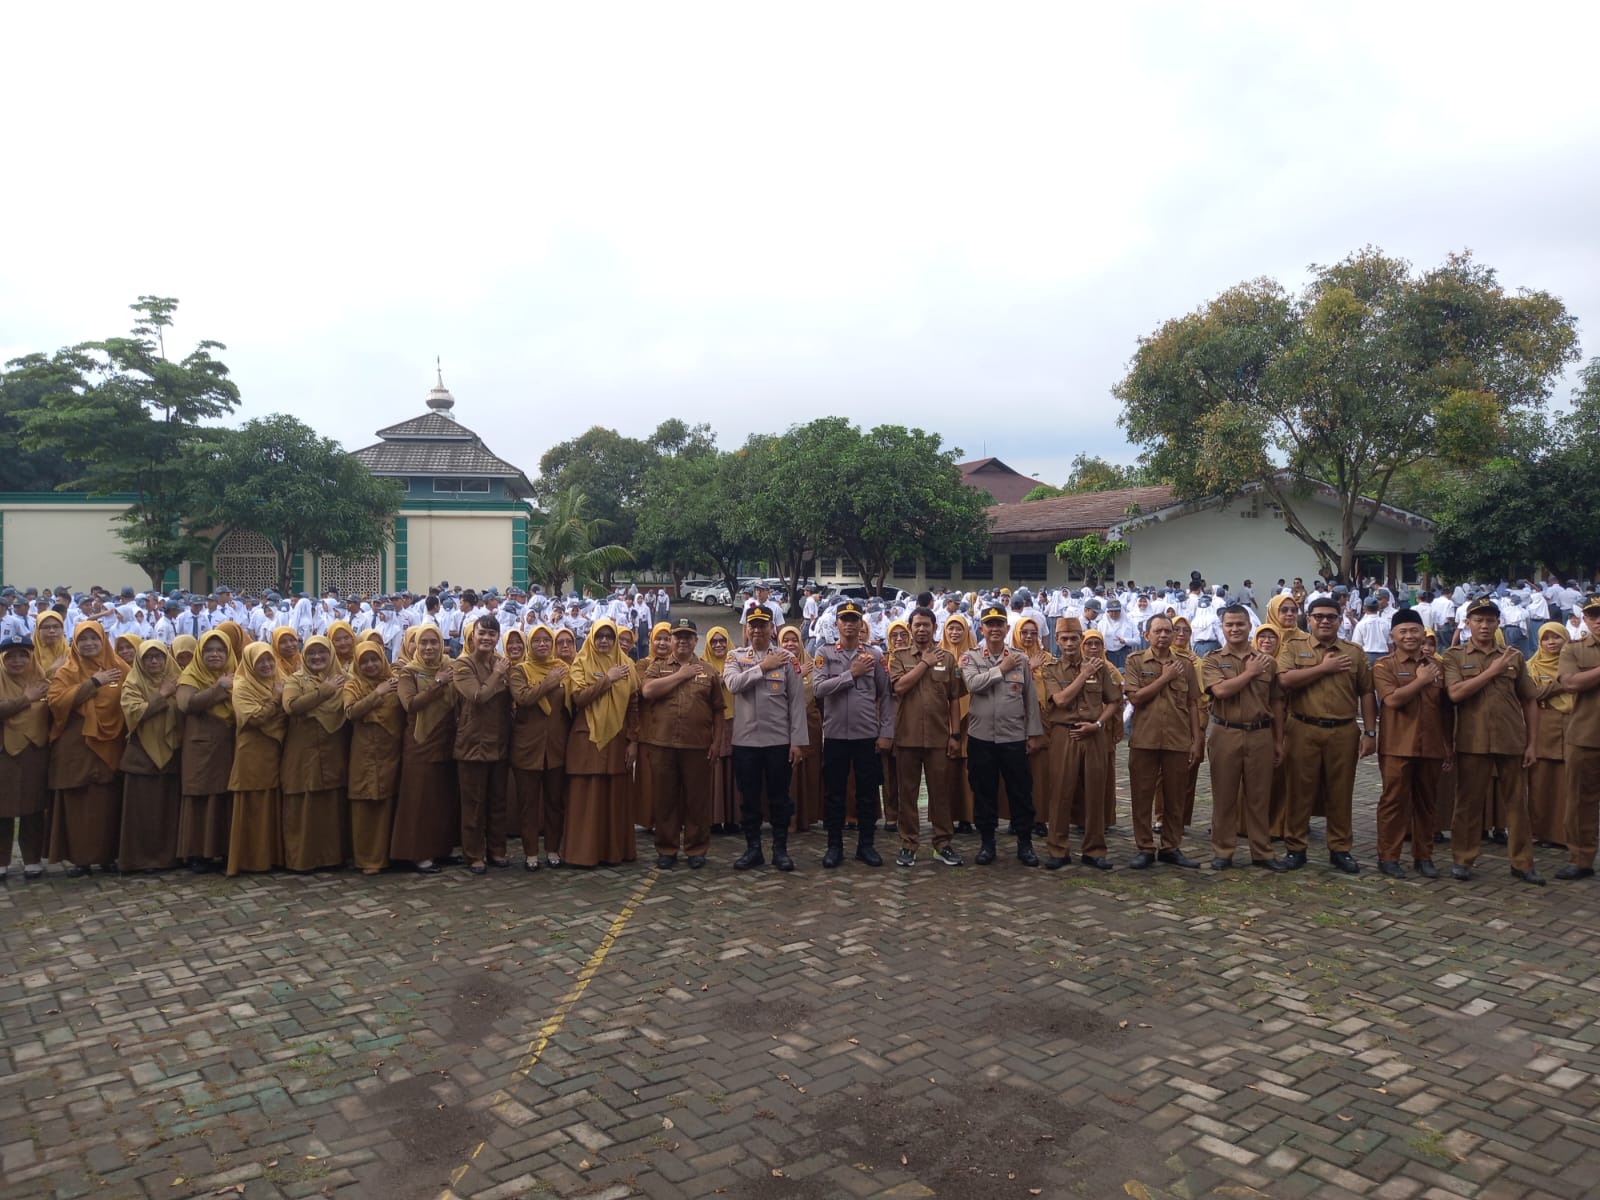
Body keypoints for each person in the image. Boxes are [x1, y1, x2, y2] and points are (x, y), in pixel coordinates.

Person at [1441, 596, 1542, 884]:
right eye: (1478, 620)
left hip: (1511, 739)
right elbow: (1455, 694)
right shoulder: (1454, 656)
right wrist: (1492, 672)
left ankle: (1522, 862)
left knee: (1517, 804)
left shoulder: (1513, 656)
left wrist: (1532, 743)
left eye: (1489, 620)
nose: (1484, 625)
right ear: (1468, 623)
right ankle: (1463, 859)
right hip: (1473, 740)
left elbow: (1530, 700)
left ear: (1498, 623)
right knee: (1468, 803)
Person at [1276, 594, 1376, 873]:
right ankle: (1296, 848)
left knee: (1340, 792)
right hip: (1302, 728)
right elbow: (1284, 680)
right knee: (1299, 791)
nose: (1324, 621)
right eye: (1318, 616)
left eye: (1331, 617)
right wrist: (1323, 668)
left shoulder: (1353, 652)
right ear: (1308, 620)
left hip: (1343, 730)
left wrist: (1370, 732)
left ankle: (1340, 848)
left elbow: (1367, 692)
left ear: (1340, 620)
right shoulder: (1294, 647)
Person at [1201, 604, 1287, 871]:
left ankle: (1262, 851)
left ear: (1250, 626)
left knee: (1259, 797)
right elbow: (1221, 691)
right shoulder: (1213, 659)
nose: (1235, 629)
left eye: (1240, 624)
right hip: (1225, 732)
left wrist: (1278, 740)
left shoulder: (1268, 662)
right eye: (1229, 624)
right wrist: (1250, 673)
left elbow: (1276, 702)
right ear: (1222, 628)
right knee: (1224, 795)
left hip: (1260, 733)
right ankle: (1223, 851)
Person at [957, 604, 1043, 867]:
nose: (994, 629)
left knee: (1021, 792)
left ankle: (1025, 843)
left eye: (999, 624)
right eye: (989, 624)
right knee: (983, 791)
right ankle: (987, 842)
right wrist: (1001, 669)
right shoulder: (970, 657)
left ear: (1006, 628)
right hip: (981, 738)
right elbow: (973, 684)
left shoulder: (1020, 659)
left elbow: (1030, 698)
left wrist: (1033, 733)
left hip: (1013, 737)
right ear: (981, 629)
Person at [724, 607, 808, 870]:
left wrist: (797, 741)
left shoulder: (787, 659)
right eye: (753, 625)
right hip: (746, 742)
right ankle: (753, 849)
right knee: (749, 798)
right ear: (747, 629)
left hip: (778, 742)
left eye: (763, 625)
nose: (757, 630)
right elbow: (733, 685)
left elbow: (796, 703)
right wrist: (763, 667)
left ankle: (780, 850)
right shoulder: (735, 656)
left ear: (772, 628)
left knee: (779, 798)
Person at [1370, 609, 1451, 879]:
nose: (1409, 636)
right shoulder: (1384, 666)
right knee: (1393, 802)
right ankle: (1388, 857)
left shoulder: (1438, 666)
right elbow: (1392, 700)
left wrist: (1448, 744)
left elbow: (1446, 710)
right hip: (1397, 746)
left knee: (1427, 803)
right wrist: (1422, 680)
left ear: (1423, 633)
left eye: (1414, 630)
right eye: (1403, 631)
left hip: (1431, 746)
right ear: (1393, 635)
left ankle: (1423, 856)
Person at [640, 619, 727, 869]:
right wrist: (680, 675)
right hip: (662, 744)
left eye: (688, 637)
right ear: (671, 640)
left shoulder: (708, 671)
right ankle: (666, 849)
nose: (683, 641)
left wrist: (717, 742)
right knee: (664, 800)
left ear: (695, 641)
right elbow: (648, 691)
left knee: (696, 801)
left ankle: (696, 848)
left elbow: (718, 710)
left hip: (697, 746)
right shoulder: (658, 667)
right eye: (678, 636)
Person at [814, 601, 894, 868]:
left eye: (854, 619)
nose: (849, 624)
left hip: (866, 735)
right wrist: (852, 674)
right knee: (834, 793)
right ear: (836, 623)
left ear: (861, 624)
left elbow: (885, 696)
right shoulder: (825, 653)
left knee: (867, 793)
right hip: (835, 735)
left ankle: (866, 845)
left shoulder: (875, 655)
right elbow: (819, 689)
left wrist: (886, 732)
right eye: (844, 619)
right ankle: (834, 846)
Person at [1039, 617, 1121, 870]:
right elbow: (1061, 700)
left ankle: (1094, 850)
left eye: (1074, 638)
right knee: (1060, 793)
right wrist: (1084, 674)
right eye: (1064, 639)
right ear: (1057, 641)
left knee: (1095, 793)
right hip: (1064, 734)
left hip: (1093, 734)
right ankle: (1058, 849)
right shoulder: (1051, 669)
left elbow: (1114, 701)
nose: (1069, 644)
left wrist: (1098, 724)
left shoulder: (1100, 667)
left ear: (1081, 639)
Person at [887, 606, 966, 867]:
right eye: (917, 625)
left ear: (934, 627)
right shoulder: (898, 656)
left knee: (940, 793)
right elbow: (899, 687)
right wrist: (924, 663)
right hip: (907, 736)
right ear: (910, 628)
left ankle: (942, 843)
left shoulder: (948, 659)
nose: (921, 629)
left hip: (938, 737)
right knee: (907, 794)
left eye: (926, 625)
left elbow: (954, 698)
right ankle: (908, 844)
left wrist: (955, 734)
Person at [46, 622, 128, 875]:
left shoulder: (119, 667)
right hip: (76, 745)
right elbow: (56, 702)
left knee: (108, 801)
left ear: (104, 640)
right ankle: (80, 859)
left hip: (111, 745)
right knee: (78, 803)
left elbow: (132, 696)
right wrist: (92, 682)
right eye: (83, 639)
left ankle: (108, 856)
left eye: (94, 638)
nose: (89, 643)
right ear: (75, 643)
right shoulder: (66, 670)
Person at [1124, 615, 1202, 869]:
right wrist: (1165, 678)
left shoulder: (1185, 664)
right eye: (1158, 631)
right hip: (1144, 739)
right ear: (1146, 635)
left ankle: (1171, 846)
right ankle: (1145, 847)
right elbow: (1135, 698)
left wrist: (1196, 740)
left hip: (1177, 739)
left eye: (1168, 631)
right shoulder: (1135, 661)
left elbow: (1193, 703)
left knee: (1175, 797)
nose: (1164, 635)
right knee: (1142, 796)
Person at [562, 618, 640, 868]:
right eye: (599, 636)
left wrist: (633, 741)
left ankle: (613, 852)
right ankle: (583, 854)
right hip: (588, 737)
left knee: (614, 795)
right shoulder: (581, 662)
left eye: (609, 636)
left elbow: (634, 706)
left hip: (617, 738)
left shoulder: (627, 665)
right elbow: (579, 698)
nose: (604, 641)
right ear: (591, 638)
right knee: (588, 795)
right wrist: (608, 679)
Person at [392, 626, 460, 873]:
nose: (429, 647)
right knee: (419, 798)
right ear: (416, 646)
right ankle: (418, 854)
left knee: (441, 798)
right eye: (424, 643)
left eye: (434, 642)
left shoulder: (450, 666)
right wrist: (437, 683)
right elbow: (410, 704)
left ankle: (441, 849)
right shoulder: (409, 672)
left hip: (446, 740)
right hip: (420, 742)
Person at [281, 635, 350, 872]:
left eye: (322, 652)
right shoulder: (295, 679)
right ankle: (303, 859)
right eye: (311, 653)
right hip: (304, 752)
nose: (317, 657)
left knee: (331, 802)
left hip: (333, 749)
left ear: (331, 654)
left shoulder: (344, 679)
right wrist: (324, 691)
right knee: (305, 803)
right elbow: (291, 706)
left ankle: (332, 857)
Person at [452, 615, 512, 873]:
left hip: (499, 740)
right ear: (472, 635)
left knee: (498, 801)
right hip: (473, 743)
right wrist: (498, 675)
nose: (487, 638)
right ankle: (474, 854)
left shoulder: (500, 662)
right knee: (474, 804)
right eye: (482, 633)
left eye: (492, 634)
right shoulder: (463, 664)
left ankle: (497, 850)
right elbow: (477, 696)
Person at [508, 623, 570, 871]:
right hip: (527, 748)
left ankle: (553, 849)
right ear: (529, 644)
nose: (542, 644)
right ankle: (531, 853)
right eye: (537, 640)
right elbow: (523, 698)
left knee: (555, 803)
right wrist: (549, 682)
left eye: (546, 640)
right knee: (528, 805)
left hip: (556, 747)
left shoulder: (563, 668)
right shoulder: (520, 671)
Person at [117, 639, 183, 871]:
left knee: (168, 809)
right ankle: (141, 859)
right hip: (142, 754)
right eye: (148, 657)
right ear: (140, 660)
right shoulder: (133, 682)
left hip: (172, 751)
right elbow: (134, 712)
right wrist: (162, 694)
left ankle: (169, 857)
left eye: (159, 657)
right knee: (143, 810)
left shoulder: (177, 678)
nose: (154, 661)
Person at [226, 644, 286, 875]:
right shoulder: (242, 686)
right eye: (260, 661)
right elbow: (253, 718)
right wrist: (275, 699)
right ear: (249, 663)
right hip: (252, 752)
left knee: (271, 801)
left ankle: (273, 857)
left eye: (270, 660)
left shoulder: (280, 679)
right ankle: (251, 859)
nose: (267, 665)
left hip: (275, 749)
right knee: (253, 804)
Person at [343, 642, 403, 875]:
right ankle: (367, 858)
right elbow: (351, 712)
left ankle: (389, 855)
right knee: (366, 802)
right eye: (364, 661)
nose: (370, 665)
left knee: (389, 801)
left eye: (374, 659)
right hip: (365, 752)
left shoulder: (394, 682)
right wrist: (377, 693)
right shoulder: (353, 684)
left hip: (391, 750)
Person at [1555, 595, 1600, 880]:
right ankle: (1581, 858)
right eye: (1594, 616)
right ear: (1585, 619)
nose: (1599, 621)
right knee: (1581, 803)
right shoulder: (1574, 649)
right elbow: (1570, 683)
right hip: (1586, 736)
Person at [0, 634, 50, 880]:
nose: (18, 661)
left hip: (35, 751)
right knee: (3, 809)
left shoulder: (41, 679)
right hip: (5, 752)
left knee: (33, 808)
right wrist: (25, 700)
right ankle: (1, 861)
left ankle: (32, 859)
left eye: (23, 655)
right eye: (11, 656)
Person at [1526, 622, 1572, 848]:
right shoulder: (1531, 666)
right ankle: (1540, 832)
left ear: (1566, 639)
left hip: (1571, 726)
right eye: (1546, 638)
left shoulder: (1574, 663)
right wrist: (1564, 683)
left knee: (1567, 784)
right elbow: (1531, 695)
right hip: (1542, 726)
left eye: (1556, 637)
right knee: (1540, 782)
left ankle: (1564, 835)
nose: (1551, 642)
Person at [778, 625, 823, 833]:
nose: (790, 644)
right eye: (785, 641)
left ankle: (807, 816)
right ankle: (789, 818)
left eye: (794, 640)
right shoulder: (774, 664)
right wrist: (797, 674)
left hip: (810, 725)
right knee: (789, 771)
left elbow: (820, 694)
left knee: (809, 771)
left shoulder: (812, 664)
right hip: (784, 725)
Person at [701, 627, 739, 832]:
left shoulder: (737, 661)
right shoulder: (701, 664)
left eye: (722, 641)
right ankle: (714, 819)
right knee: (714, 769)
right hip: (712, 723)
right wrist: (716, 682)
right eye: (714, 642)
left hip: (735, 721)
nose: (718, 645)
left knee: (733, 769)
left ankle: (733, 818)